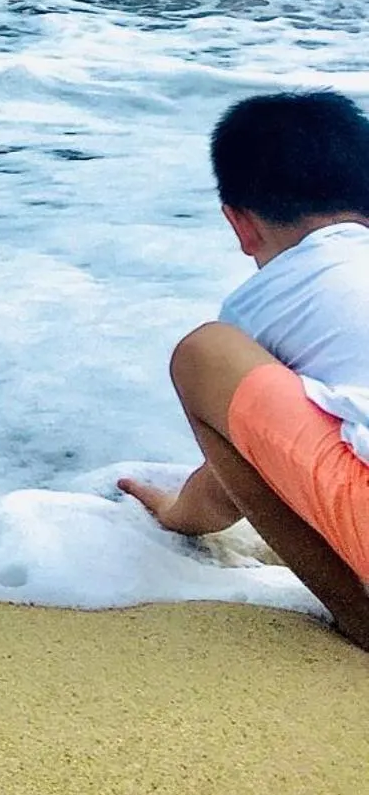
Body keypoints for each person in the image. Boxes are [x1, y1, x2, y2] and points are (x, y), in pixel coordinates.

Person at [119, 90, 369, 648]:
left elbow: (235, 478)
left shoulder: (266, 300)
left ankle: (358, 614)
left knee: (204, 354)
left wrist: (178, 514)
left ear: (241, 225)